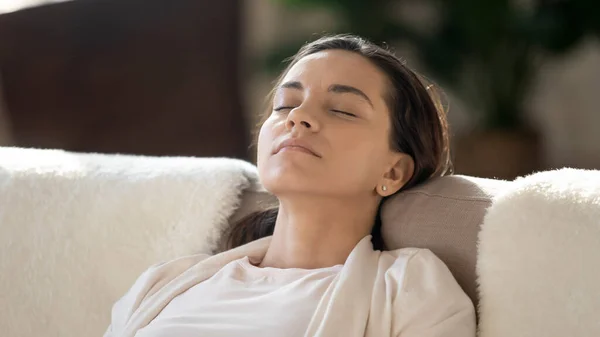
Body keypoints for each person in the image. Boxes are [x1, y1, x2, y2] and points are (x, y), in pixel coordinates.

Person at [104, 34, 476, 337]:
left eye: (343, 110)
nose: (298, 117)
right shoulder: (165, 285)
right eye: (285, 105)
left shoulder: (409, 288)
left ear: (393, 172)